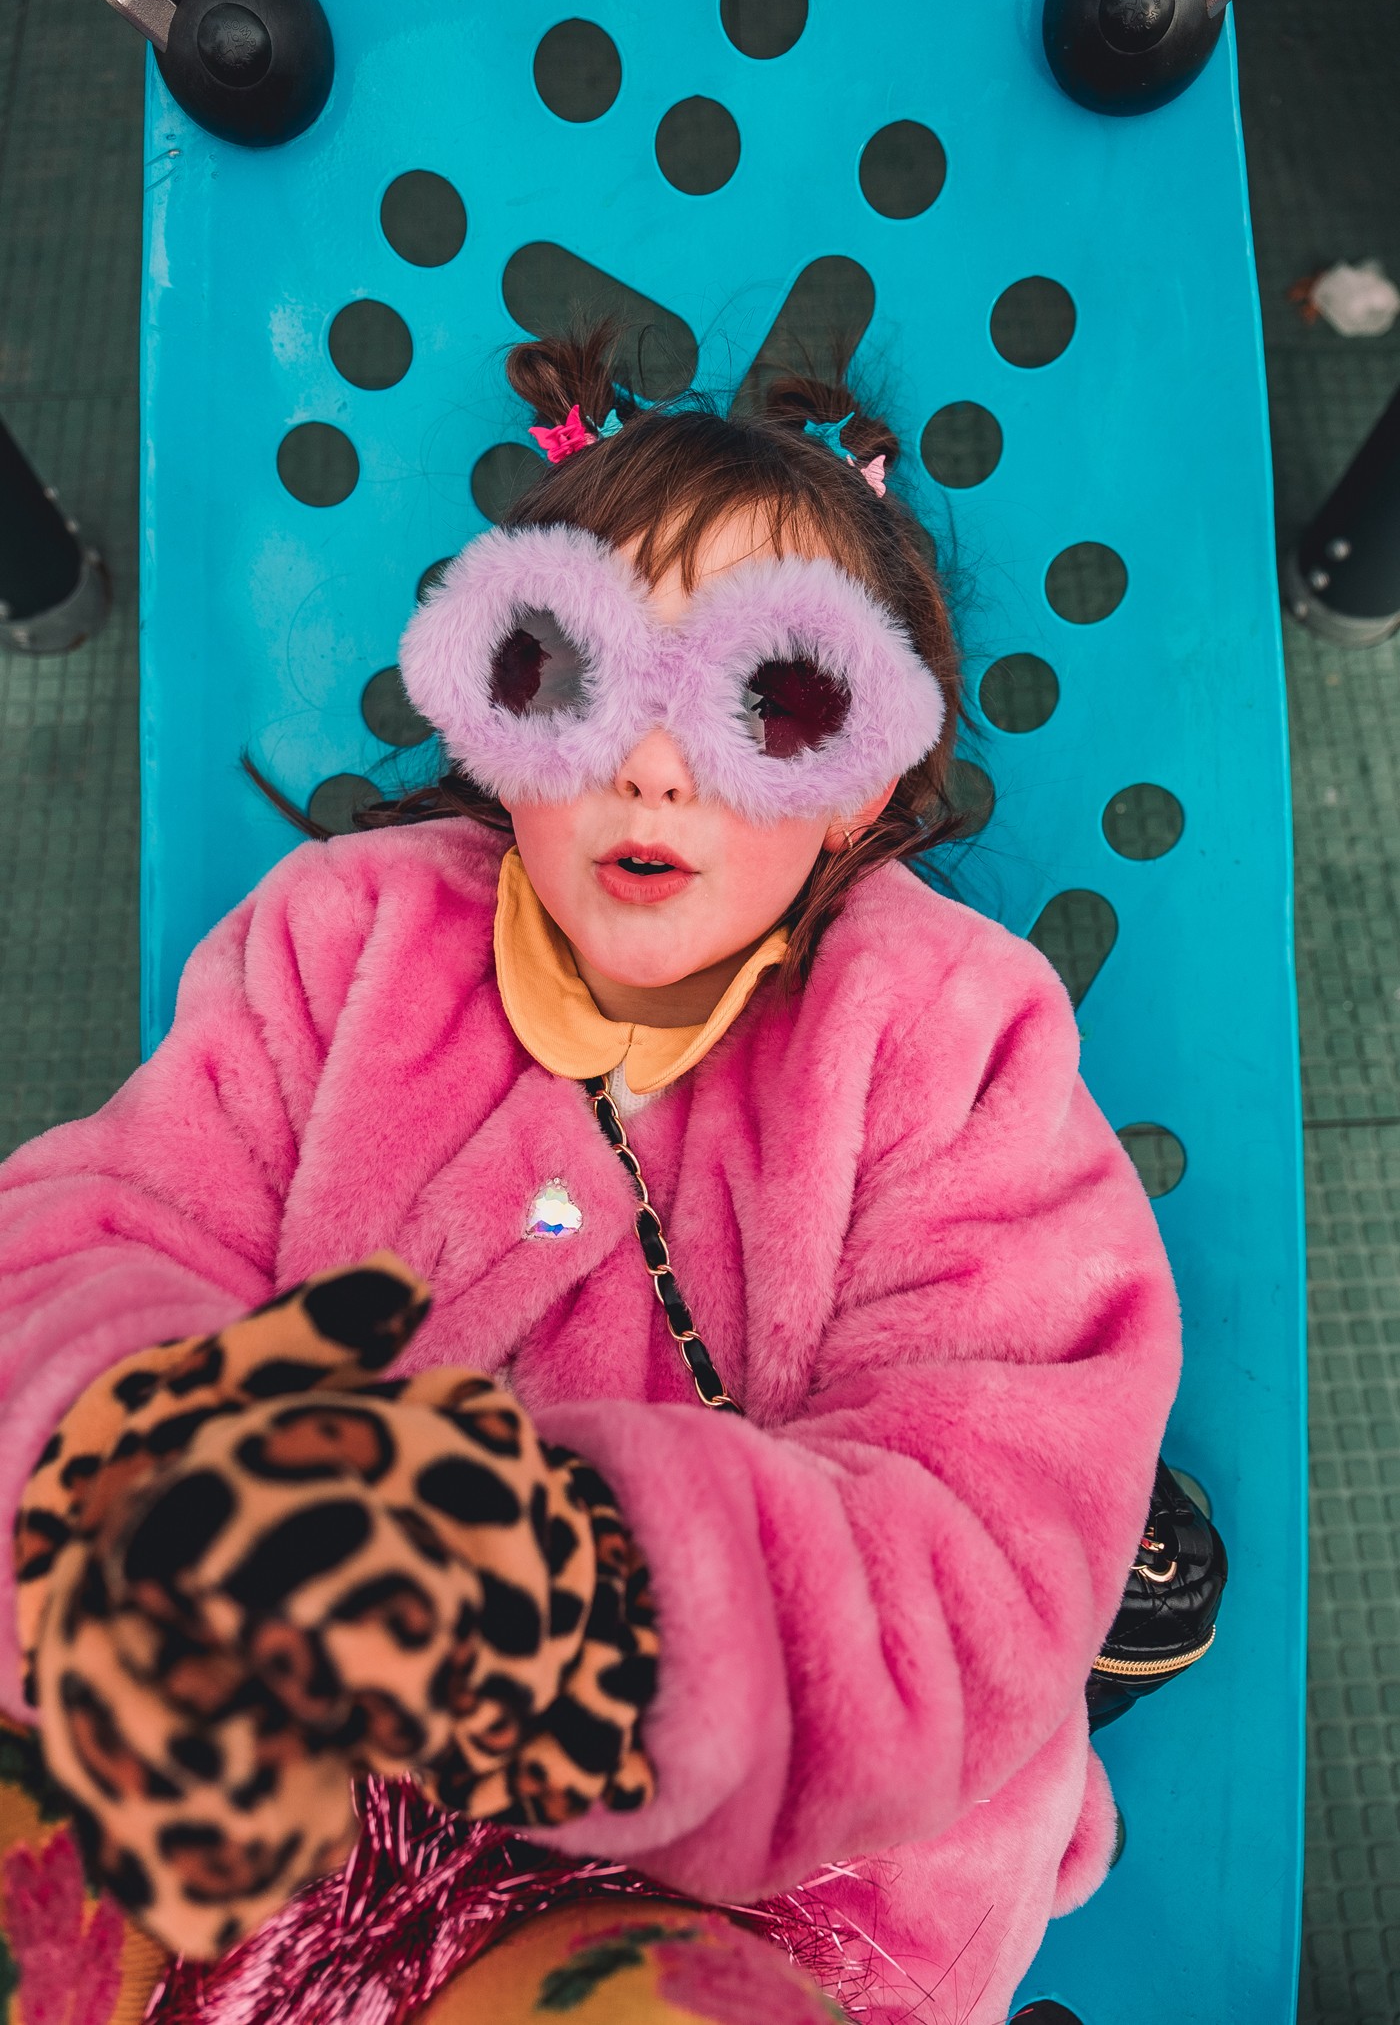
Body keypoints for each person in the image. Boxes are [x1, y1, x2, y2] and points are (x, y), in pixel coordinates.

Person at [0, 328, 1181, 2025]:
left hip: (773, 1871)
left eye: (769, 698)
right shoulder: (341, 947)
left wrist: (567, 1608)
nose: (652, 764)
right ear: (499, 730)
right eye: (580, 679)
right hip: (284, 1778)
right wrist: (148, 1481)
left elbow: (988, 1548)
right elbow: (88, 1238)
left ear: (859, 798)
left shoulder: (946, 1038)